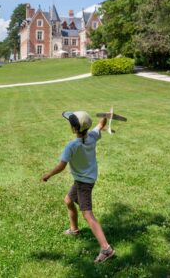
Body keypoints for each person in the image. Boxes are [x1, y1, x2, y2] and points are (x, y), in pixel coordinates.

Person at [41, 111, 115, 263]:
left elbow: (61, 166)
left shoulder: (72, 146)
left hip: (84, 183)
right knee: (68, 200)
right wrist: (106, 116)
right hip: (85, 179)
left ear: (74, 128)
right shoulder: (92, 136)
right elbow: (101, 125)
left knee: (88, 215)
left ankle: (106, 249)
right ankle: (74, 229)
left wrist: (48, 175)